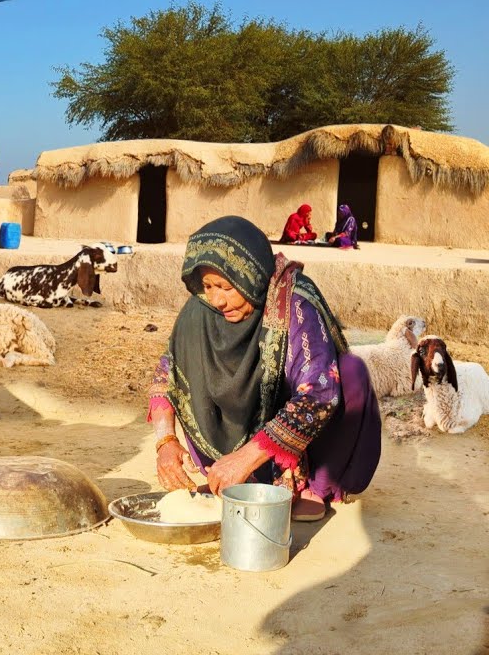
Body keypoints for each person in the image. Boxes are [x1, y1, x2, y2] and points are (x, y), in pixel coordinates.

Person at [147, 216, 381, 522]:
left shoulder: (293, 304)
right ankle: (233, 476)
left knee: (350, 372)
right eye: (208, 285)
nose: (217, 299)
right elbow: (167, 372)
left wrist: (246, 458)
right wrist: (165, 442)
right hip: (227, 448)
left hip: (293, 448)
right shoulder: (200, 310)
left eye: (226, 287)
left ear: (250, 276)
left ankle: (308, 485)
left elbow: (320, 394)